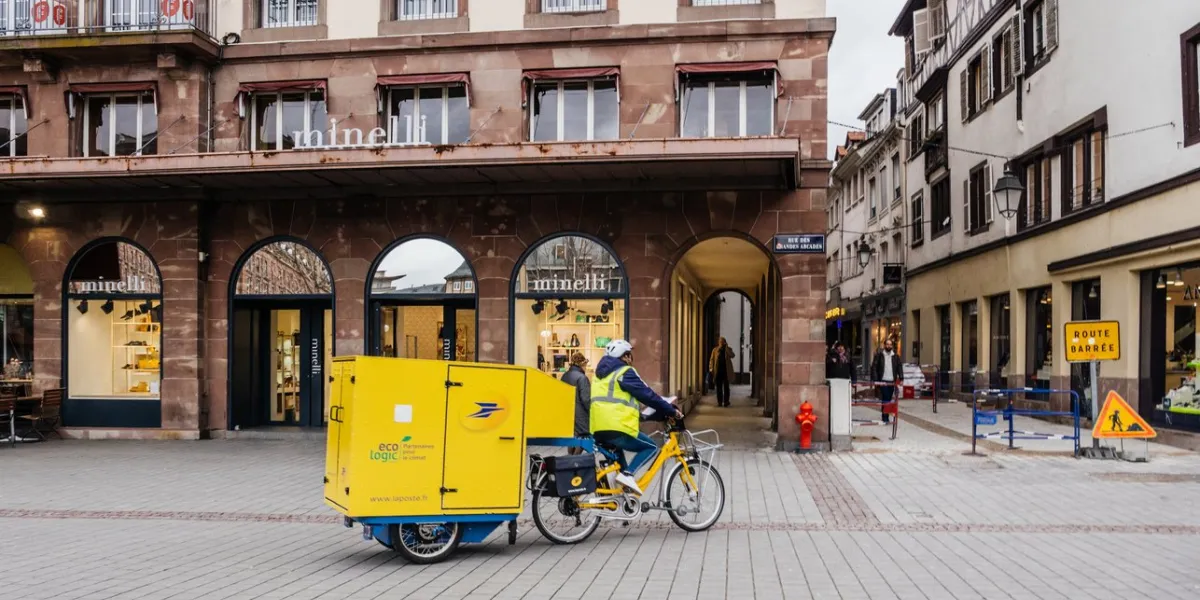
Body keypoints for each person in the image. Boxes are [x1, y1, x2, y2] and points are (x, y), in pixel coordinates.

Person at [591, 339, 682, 495]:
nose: (631, 359)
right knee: (651, 447)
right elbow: (648, 395)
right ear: (625, 356)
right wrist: (670, 410)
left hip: (598, 429)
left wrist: (644, 416)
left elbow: (613, 403)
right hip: (617, 428)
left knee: (620, 467)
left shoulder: (600, 376)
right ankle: (628, 475)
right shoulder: (624, 372)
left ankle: (623, 501)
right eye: (629, 355)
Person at [559, 352, 591, 455]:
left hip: (568, 413)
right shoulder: (582, 378)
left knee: (572, 439)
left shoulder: (565, 375)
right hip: (580, 415)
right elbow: (586, 399)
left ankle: (570, 460)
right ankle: (574, 462)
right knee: (582, 439)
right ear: (582, 364)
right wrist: (591, 411)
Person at [870, 338, 903, 424]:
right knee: (885, 398)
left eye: (890, 344)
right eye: (887, 344)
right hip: (883, 380)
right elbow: (874, 367)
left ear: (892, 346)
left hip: (892, 381)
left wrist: (901, 378)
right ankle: (885, 417)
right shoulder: (879, 355)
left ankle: (885, 415)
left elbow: (899, 367)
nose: (888, 346)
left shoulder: (895, 356)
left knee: (888, 398)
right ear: (884, 345)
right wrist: (876, 380)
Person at [708, 337, 736, 407]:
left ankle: (726, 401)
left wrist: (726, 348)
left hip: (726, 372)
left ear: (725, 342)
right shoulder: (715, 350)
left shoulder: (728, 349)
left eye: (722, 341)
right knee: (719, 387)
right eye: (720, 341)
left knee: (726, 387)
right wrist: (711, 368)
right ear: (718, 342)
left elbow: (732, 355)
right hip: (718, 371)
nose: (721, 343)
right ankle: (719, 402)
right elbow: (711, 360)